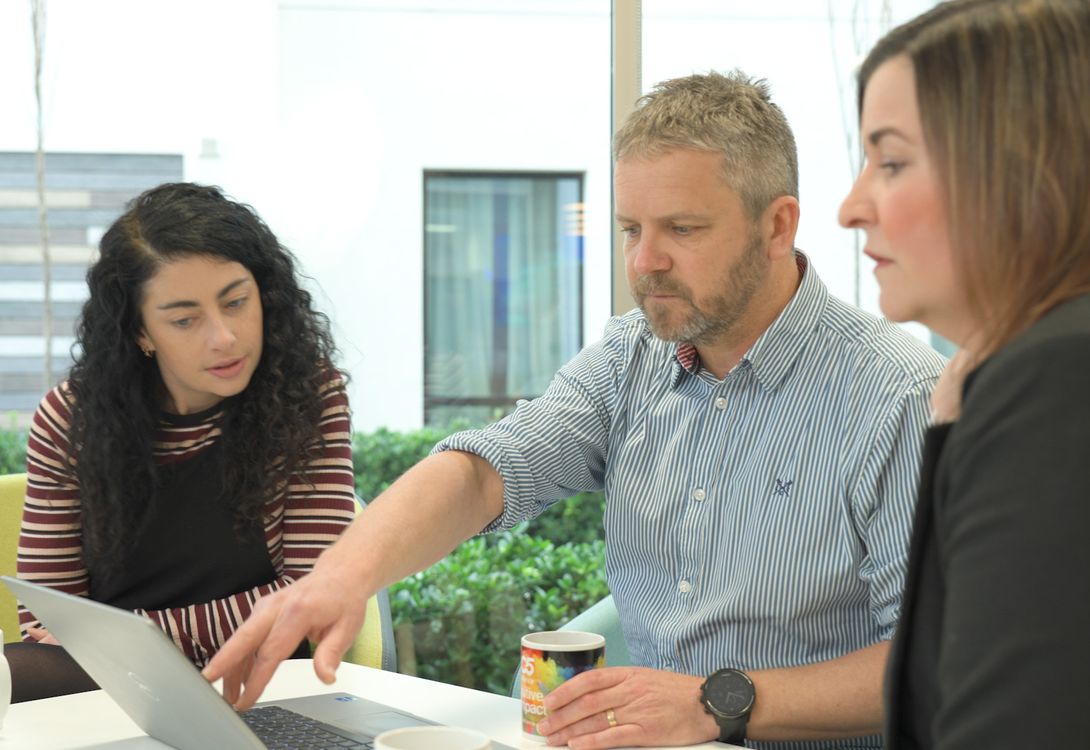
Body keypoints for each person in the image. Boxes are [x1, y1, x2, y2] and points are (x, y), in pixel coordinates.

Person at [206, 72, 946, 750]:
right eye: (631, 229)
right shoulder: (632, 359)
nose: (642, 262)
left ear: (778, 225)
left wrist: (714, 703)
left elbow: (929, 661)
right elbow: (486, 471)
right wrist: (340, 576)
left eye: (682, 230)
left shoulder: (895, 396)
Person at [837, 1, 1090, 748]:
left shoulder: (1055, 378)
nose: (852, 207)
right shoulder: (1018, 371)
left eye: (891, 162)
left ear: (1020, 166)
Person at [13, 182, 358, 702]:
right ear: (141, 333)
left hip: (264, 675)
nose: (223, 337)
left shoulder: (309, 396)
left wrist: (134, 632)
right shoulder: (72, 417)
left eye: (236, 302)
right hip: (115, 683)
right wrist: (109, 644)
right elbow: (47, 615)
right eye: (184, 319)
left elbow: (309, 596)